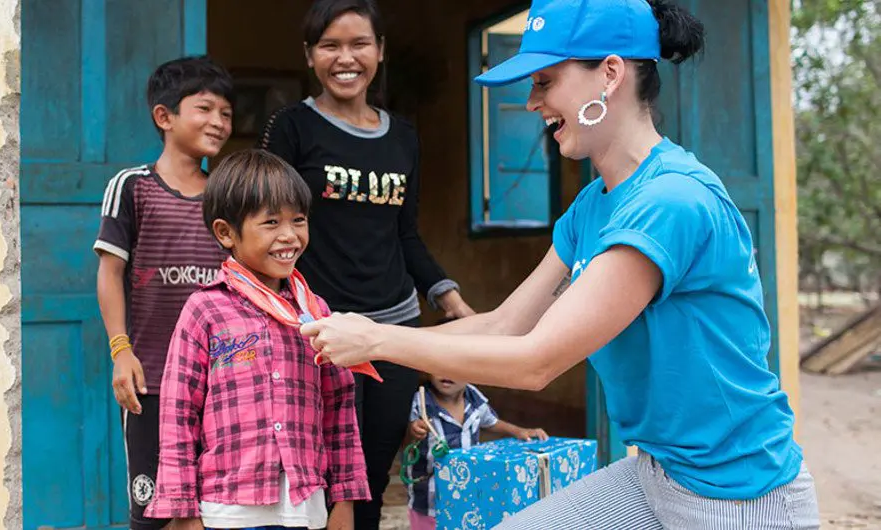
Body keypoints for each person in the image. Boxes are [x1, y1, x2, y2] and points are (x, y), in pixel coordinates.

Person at [299, 0, 821, 527]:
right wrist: (358, 335)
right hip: (659, 473)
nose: (531, 102)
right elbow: (505, 325)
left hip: (740, 494)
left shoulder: (670, 201)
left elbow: (536, 361)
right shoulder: (591, 207)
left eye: (545, 82)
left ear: (610, 74)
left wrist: (378, 342)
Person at [257, 1, 474, 525]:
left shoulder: (402, 137)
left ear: (380, 52)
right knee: (321, 477)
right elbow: (268, 225)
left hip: (393, 328)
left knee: (374, 475)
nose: (345, 58)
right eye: (330, 45)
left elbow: (405, 233)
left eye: (359, 44)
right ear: (310, 56)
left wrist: (449, 298)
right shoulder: (291, 128)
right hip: (319, 330)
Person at [145, 149, 369, 530]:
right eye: (270, 222)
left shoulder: (316, 314)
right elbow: (178, 413)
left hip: (305, 508)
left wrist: (344, 501)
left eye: (298, 220)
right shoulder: (205, 310)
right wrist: (183, 510)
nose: (289, 235)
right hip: (227, 510)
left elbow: (339, 408)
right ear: (226, 233)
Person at [93, 55, 234, 530]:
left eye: (227, 114)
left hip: (219, 381)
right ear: (164, 116)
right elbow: (111, 273)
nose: (218, 121)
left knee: (212, 509)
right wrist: (120, 350)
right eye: (205, 108)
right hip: (150, 379)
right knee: (153, 514)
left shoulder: (227, 196)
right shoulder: (132, 187)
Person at [403, 375, 548, 530]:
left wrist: (518, 431)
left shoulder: (473, 397)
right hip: (429, 496)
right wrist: (413, 429)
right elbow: (402, 435)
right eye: (439, 365)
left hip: (468, 488)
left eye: (456, 367)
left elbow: (491, 421)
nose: (446, 372)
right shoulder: (420, 400)